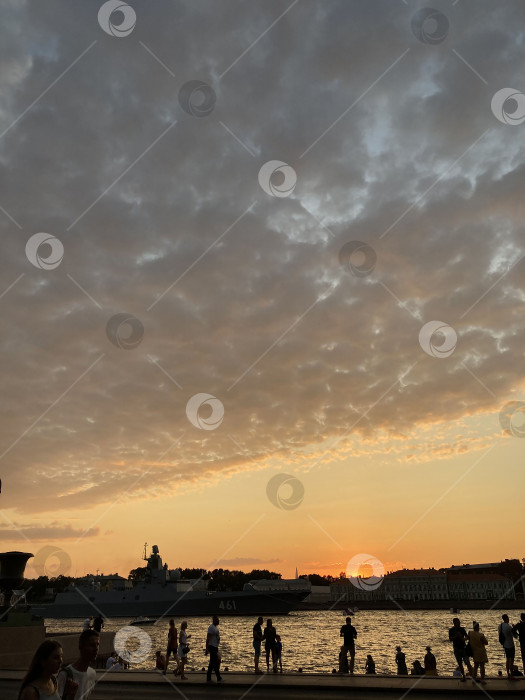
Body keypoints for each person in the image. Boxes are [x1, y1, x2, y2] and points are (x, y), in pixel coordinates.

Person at [57, 629, 99, 700]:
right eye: (91, 645)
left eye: (97, 644)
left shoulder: (92, 673)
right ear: (81, 646)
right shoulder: (65, 674)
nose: (96, 648)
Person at [448, 617, 473, 682]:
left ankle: (473, 676)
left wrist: (463, 639)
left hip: (463, 648)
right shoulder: (451, 630)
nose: (458, 623)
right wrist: (456, 636)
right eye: (457, 622)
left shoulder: (462, 629)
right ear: (454, 623)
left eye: (459, 622)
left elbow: (467, 637)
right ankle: (464, 676)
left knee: (467, 662)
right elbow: (450, 639)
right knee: (460, 663)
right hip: (456, 648)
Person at [499, 614, 517, 680]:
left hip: (505, 645)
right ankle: (512, 675)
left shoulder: (500, 626)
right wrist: (514, 628)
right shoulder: (509, 627)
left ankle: (508, 674)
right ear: (506, 618)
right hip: (511, 645)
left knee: (507, 659)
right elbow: (515, 636)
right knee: (511, 660)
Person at [206, 615, 223, 683]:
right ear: (214, 620)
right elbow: (208, 638)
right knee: (215, 662)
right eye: (217, 620)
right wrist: (206, 648)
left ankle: (209, 677)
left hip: (215, 646)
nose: (218, 621)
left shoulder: (215, 628)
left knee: (212, 662)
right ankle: (218, 677)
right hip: (212, 646)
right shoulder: (211, 628)